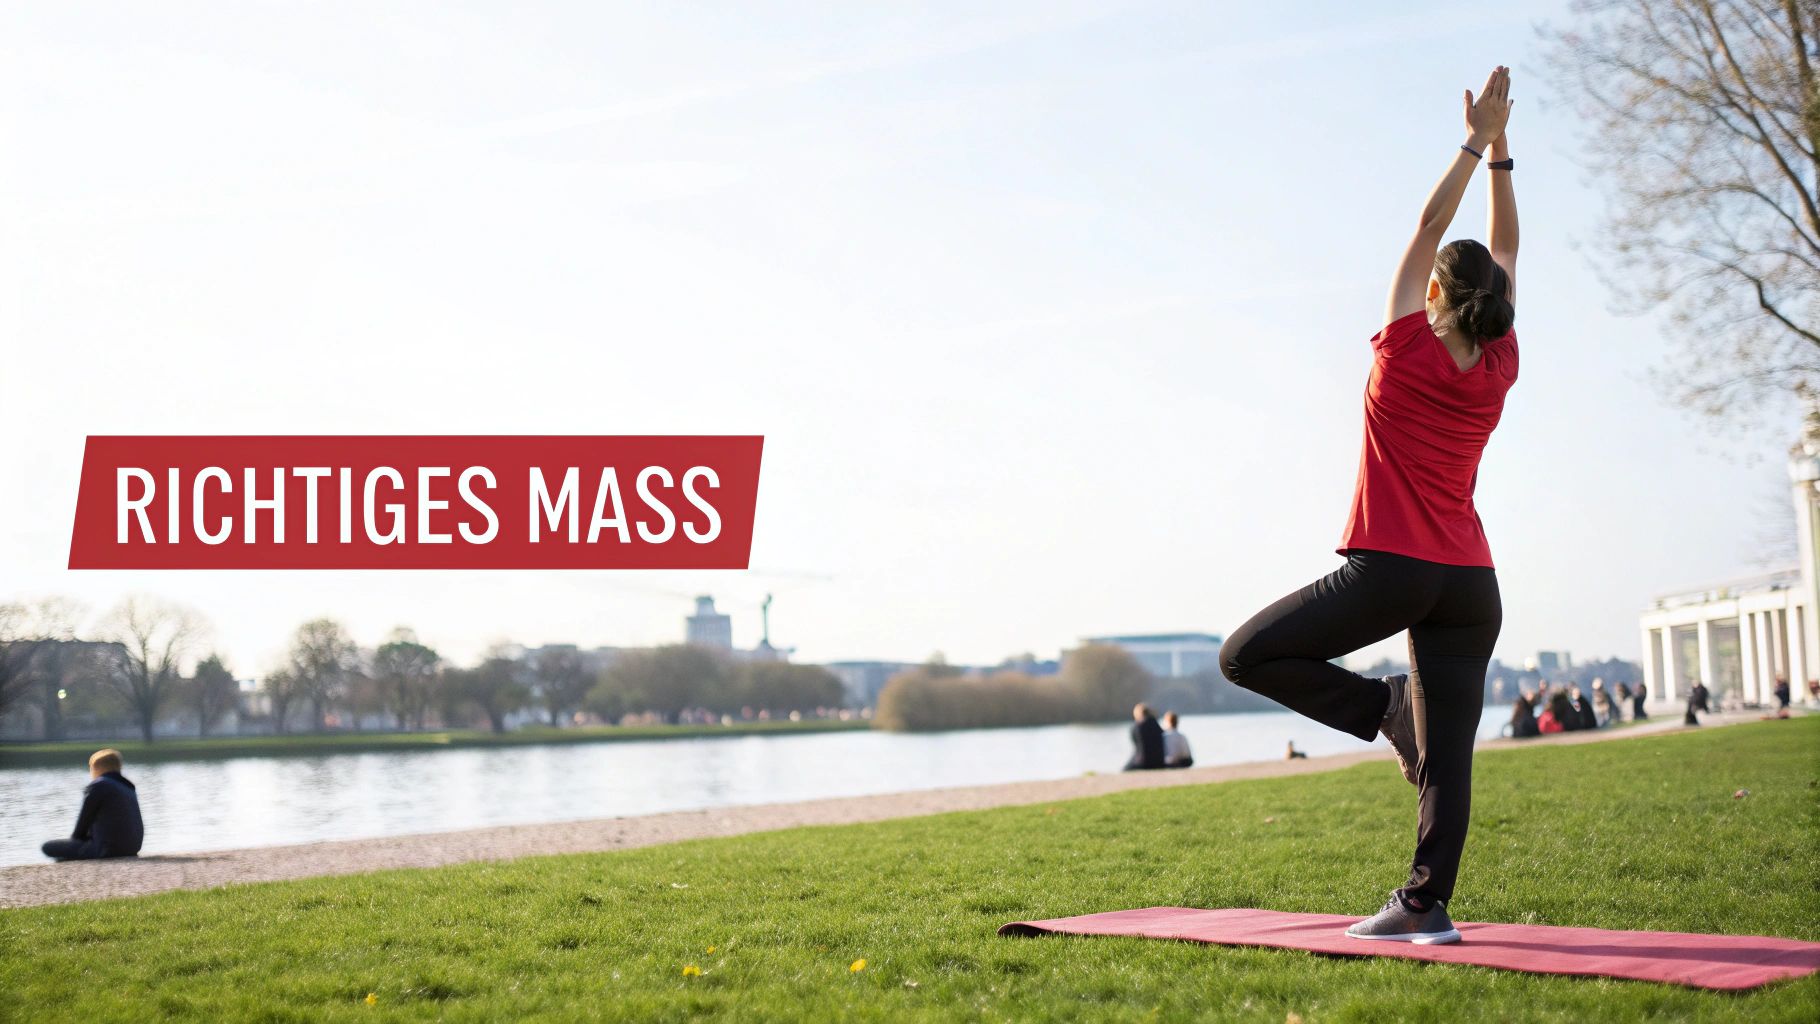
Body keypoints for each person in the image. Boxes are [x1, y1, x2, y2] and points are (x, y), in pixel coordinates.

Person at [1217, 66, 1518, 946]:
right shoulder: (1499, 363)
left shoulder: (1403, 346)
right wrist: (1503, 153)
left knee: (1245, 656)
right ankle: (1425, 905)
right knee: (1447, 756)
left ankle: (1383, 709)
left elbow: (1430, 229)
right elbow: (1505, 250)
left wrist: (1475, 142)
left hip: (1394, 569)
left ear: (1434, 294)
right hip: (1472, 582)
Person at [41, 749, 144, 861]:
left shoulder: (99, 785)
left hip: (107, 850)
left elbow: (80, 829)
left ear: (96, 768)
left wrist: (75, 842)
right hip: (132, 848)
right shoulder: (128, 787)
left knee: (47, 847)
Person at [1124, 703, 1166, 771]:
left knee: (1124, 769)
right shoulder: (1156, 725)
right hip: (1159, 762)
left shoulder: (1136, 727)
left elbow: (1138, 749)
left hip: (1143, 763)